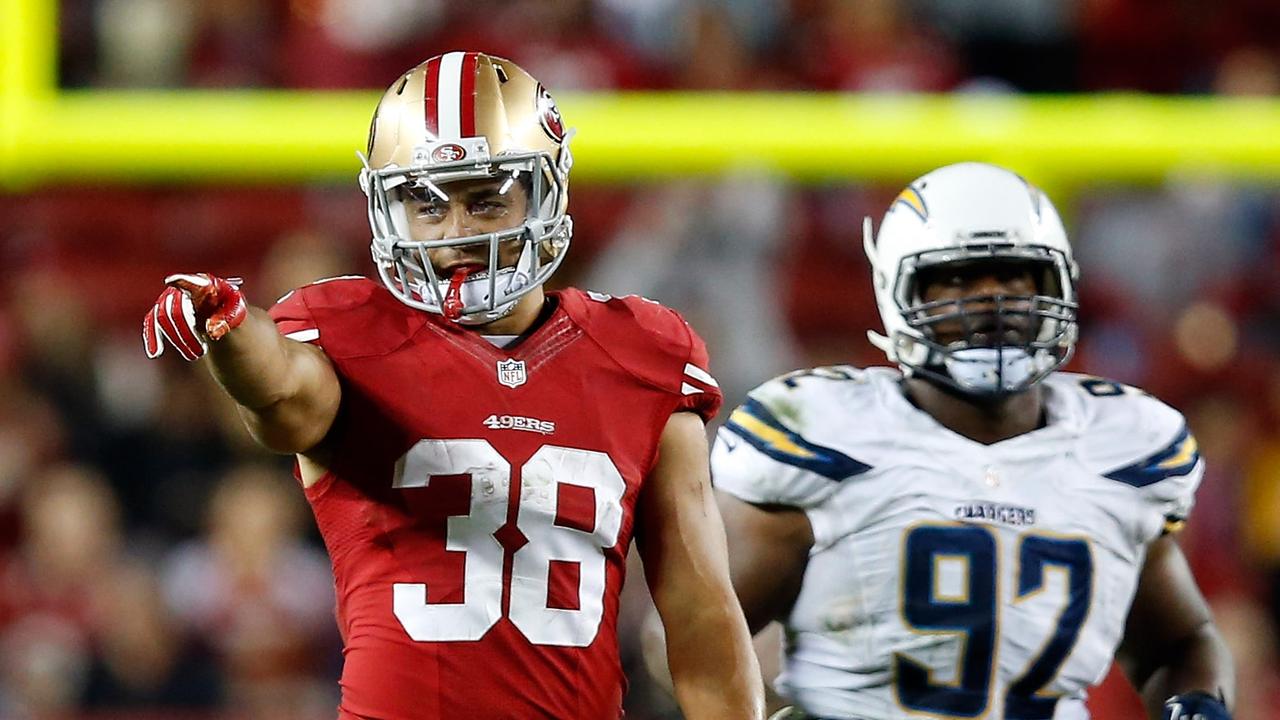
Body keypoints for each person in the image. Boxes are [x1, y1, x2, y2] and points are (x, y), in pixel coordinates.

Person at [143, 51, 763, 720]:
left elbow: (702, 616)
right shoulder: (349, 333)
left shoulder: (643, 353)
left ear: (544, 190)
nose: (456, 232)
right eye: (425, 204)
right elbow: (282, 396)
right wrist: (230, 329)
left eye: (486, 199)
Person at [712, 162, 1235, 720]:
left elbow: (1180, 644)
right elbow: (693, 638)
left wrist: (1198, 703)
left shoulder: (1122, 446)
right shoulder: (824, 439)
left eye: (1016, 274)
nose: (993, 298)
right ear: (898, 293)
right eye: (960, 276)